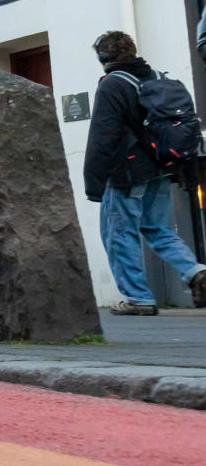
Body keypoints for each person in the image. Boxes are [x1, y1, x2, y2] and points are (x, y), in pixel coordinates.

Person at [83, 30, 206, 314]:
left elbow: (104, 135)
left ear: (103, 58)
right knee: (159, 229)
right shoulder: (156, 78)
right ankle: (195, 271)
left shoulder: (113, 84)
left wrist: (94, 182)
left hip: (127, 173)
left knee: (118, 234)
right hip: (162, 168)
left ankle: (138, 298)